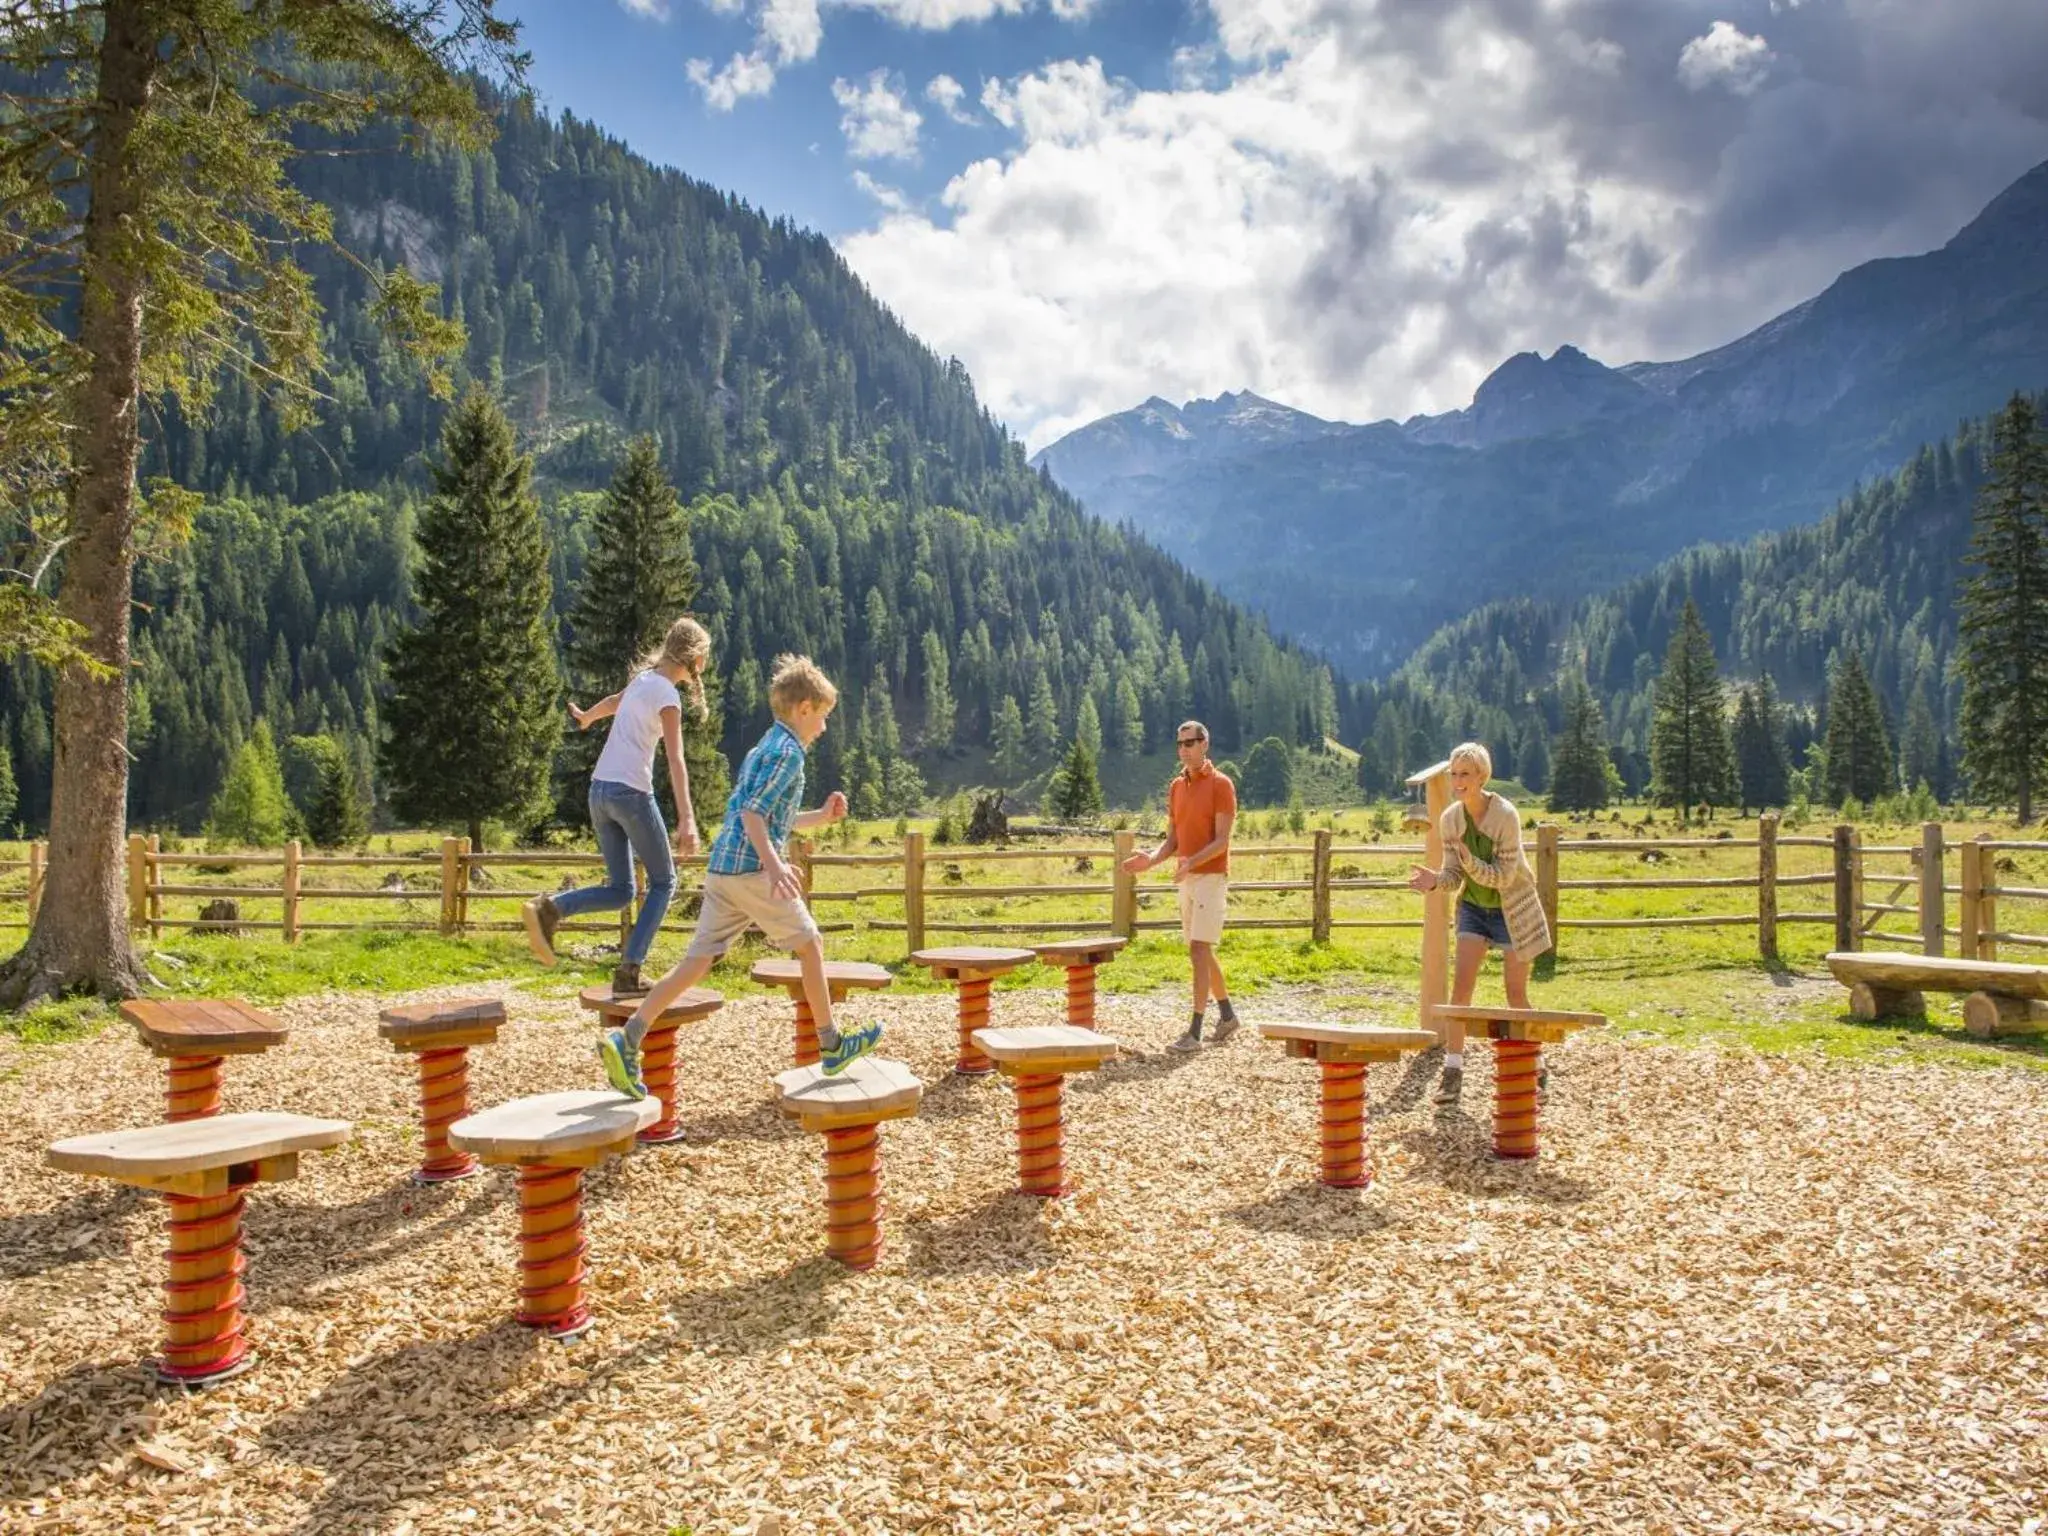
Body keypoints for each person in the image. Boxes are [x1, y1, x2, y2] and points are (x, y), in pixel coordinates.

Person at [599, 653, 881, 1097]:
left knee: (696, 962)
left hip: (722, 870)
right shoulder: (789, 754)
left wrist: (821, 817)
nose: (824, 728)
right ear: (802, 708)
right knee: (810, 943)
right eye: (822, 717)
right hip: (750, 871)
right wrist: (774, 865)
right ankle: (831, 1044)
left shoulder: (765, 745)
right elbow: (753, 815)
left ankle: (628, 1037)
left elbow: (768, 816)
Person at [523, 616, 707, 996]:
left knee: (623, 889)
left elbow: (612, 703)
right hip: (630, 794)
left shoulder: (643, 680)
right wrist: (687, 819)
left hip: (599, 792)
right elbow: (676, 760)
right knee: (664, 882)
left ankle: (551, 909)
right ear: (693, 658)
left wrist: (588, 716)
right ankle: (630, 971)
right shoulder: (668, 696)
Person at [1406, 740, 1552, 1106]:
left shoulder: (1505, 815)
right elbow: (1456, 875)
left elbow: (1503, 878)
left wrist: (1468, 862)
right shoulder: (1451, 819)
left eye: (1465, 774)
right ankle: (1452, 1073)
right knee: (1461, 992)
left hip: (1512, 908)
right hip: (1473, 907)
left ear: (1482, 776)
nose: (1458, 780)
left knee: (1515, 995)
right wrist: (1436, 881)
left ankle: (1535, 1063)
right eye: (1454, 774)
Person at [1121, 719, 1239, 1053]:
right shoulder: (1176, 787)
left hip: (1211, 877)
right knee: (1201, 949)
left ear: (1205, 744)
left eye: (1190, 742)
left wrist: (1192, 862)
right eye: (1180, 744)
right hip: (1187, 876)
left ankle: (1195, 1032)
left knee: (1198, 950)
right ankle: (1228, 1016)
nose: (1184, 749)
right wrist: (1152, 860)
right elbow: (1172, 840)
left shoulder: (1222, 785)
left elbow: (1222, 841)